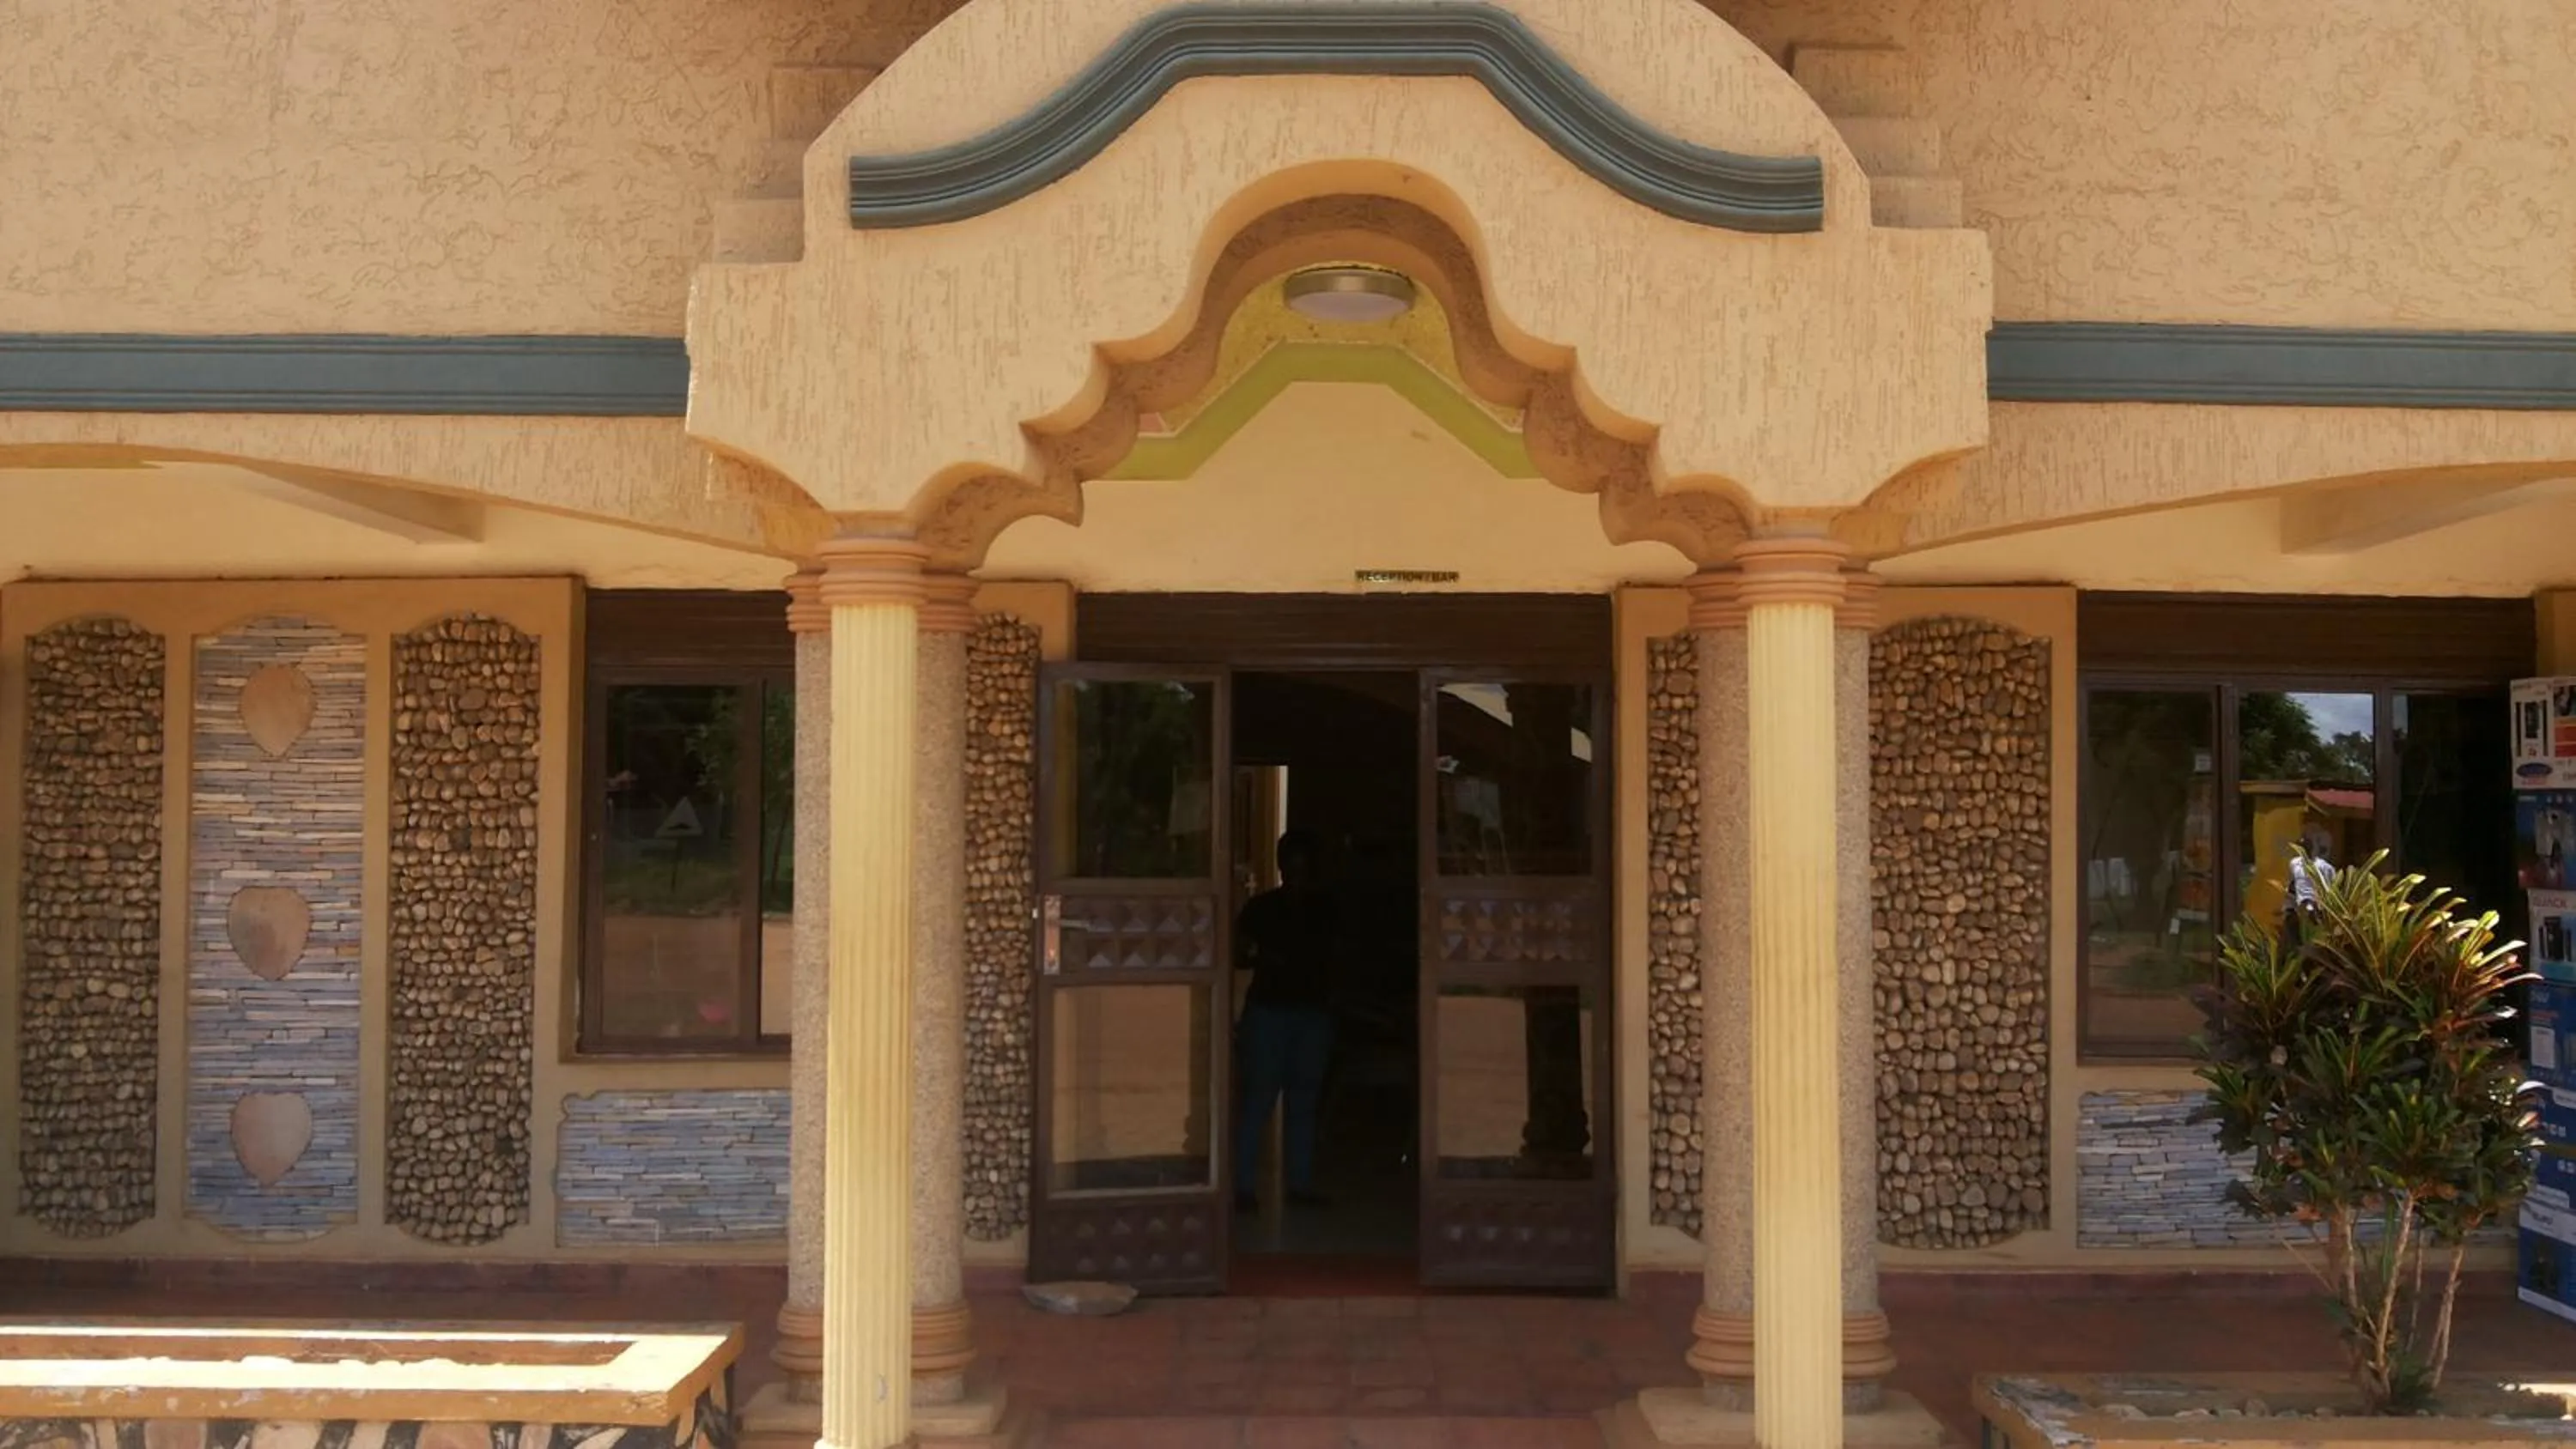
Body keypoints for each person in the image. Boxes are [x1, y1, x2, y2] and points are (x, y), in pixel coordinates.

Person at [1233, 828, 1340, 1213]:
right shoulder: (1322, 909)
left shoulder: (1268, 909)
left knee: (1269, 1101)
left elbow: (1240, 954)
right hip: (1291, 1013)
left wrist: (1266, 956)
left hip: (1285, 1013)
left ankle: (1254, 1186)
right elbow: (1239, 954)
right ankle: (1291, 1184)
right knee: (1291, 1102)